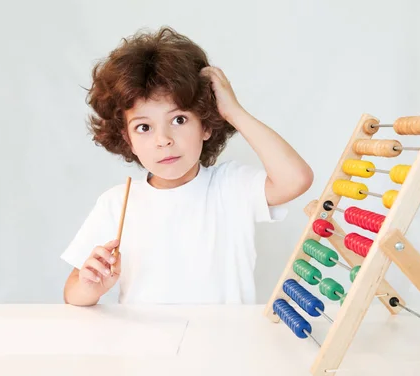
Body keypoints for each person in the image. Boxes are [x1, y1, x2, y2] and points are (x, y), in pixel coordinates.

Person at [61, 27, 313, 306]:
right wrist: (91, 286)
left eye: (179, 120)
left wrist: (234, 112)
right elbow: (72, 293)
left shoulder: (230, 187)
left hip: (225, 342)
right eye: (144, 127)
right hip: (144, 347)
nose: (163, 140)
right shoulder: (117, 203)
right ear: (127, 139)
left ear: (205, 124)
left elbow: (296, 179)